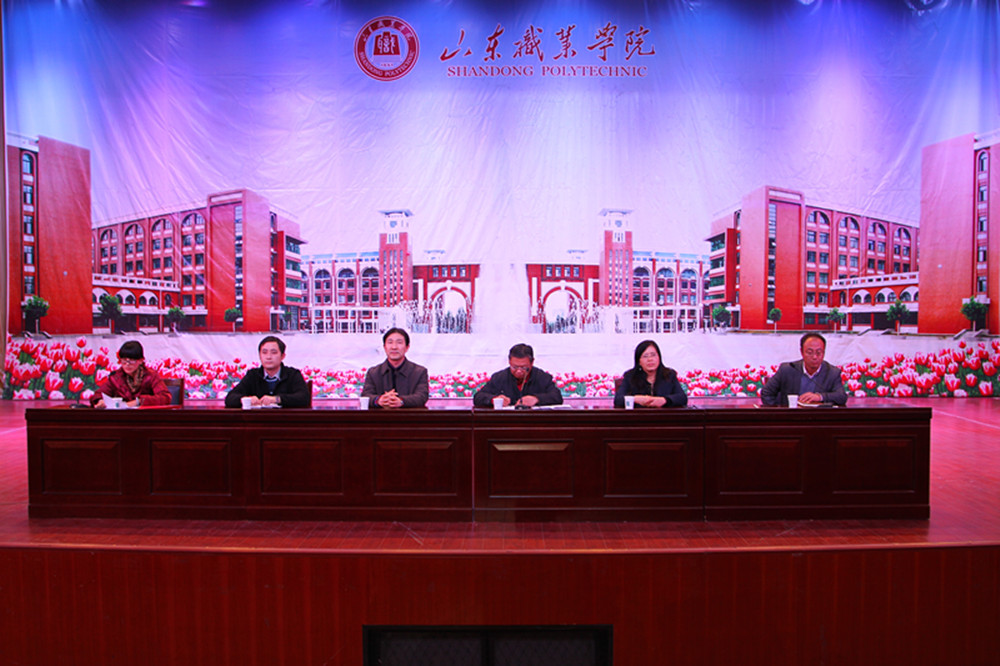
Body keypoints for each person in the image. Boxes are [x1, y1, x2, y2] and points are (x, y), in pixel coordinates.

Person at [760, 332, 848, 407]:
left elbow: (841, 397)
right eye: (810, 352)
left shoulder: (832, 373)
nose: (814, 357)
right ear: (802, 352)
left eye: (819, 353)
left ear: (824, 353)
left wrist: (819, 397)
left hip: (819, 418)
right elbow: (766, 392)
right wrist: (780, 412)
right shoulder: (787, 370)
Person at [224, 335, 311, 408]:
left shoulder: (293, 374)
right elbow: (230, 398)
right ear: (260, 355)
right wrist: (246, 400)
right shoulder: (252, 375)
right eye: (264, 352)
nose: (268, 357)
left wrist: (277, 399)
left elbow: (304, 398)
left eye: (274, 352)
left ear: (282, 356)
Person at [473, 343, 563, 408]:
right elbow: (478, 397)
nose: (519, 371)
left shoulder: (542, 377)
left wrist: (537, 399)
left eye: (524, 367)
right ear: (509, 362)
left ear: (532, 362)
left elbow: (557, 397)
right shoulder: (499, 377)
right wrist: (494, 399)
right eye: (514, 367)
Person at [361, 327, 429, 408]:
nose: (394, 347)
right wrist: (379, 400)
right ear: (385, 347)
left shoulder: (419, 372)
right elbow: (366, 395)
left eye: (399, 342)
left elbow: (422, 396)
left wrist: (401, 401)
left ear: (407, 347)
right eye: (390, 342)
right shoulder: (373, 373)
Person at [91, 340, 172, 408]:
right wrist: (100, 400)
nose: (127, 364)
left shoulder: (151, 375)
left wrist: (139, 401)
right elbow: (98, 395)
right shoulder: (116, 376)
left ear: (141, 360)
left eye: (132, 360)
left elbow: (165, 397)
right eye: (124, 360)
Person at [613, 340, 688, 408]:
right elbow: (618, 400)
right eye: (645, 356)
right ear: (639, 361)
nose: (650, 359)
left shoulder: (669, 375)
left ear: (659, 358)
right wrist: (636, 399)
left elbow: (682, 398)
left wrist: (665, 400)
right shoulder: (630, 376)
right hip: (639, 417)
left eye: (653, 355)